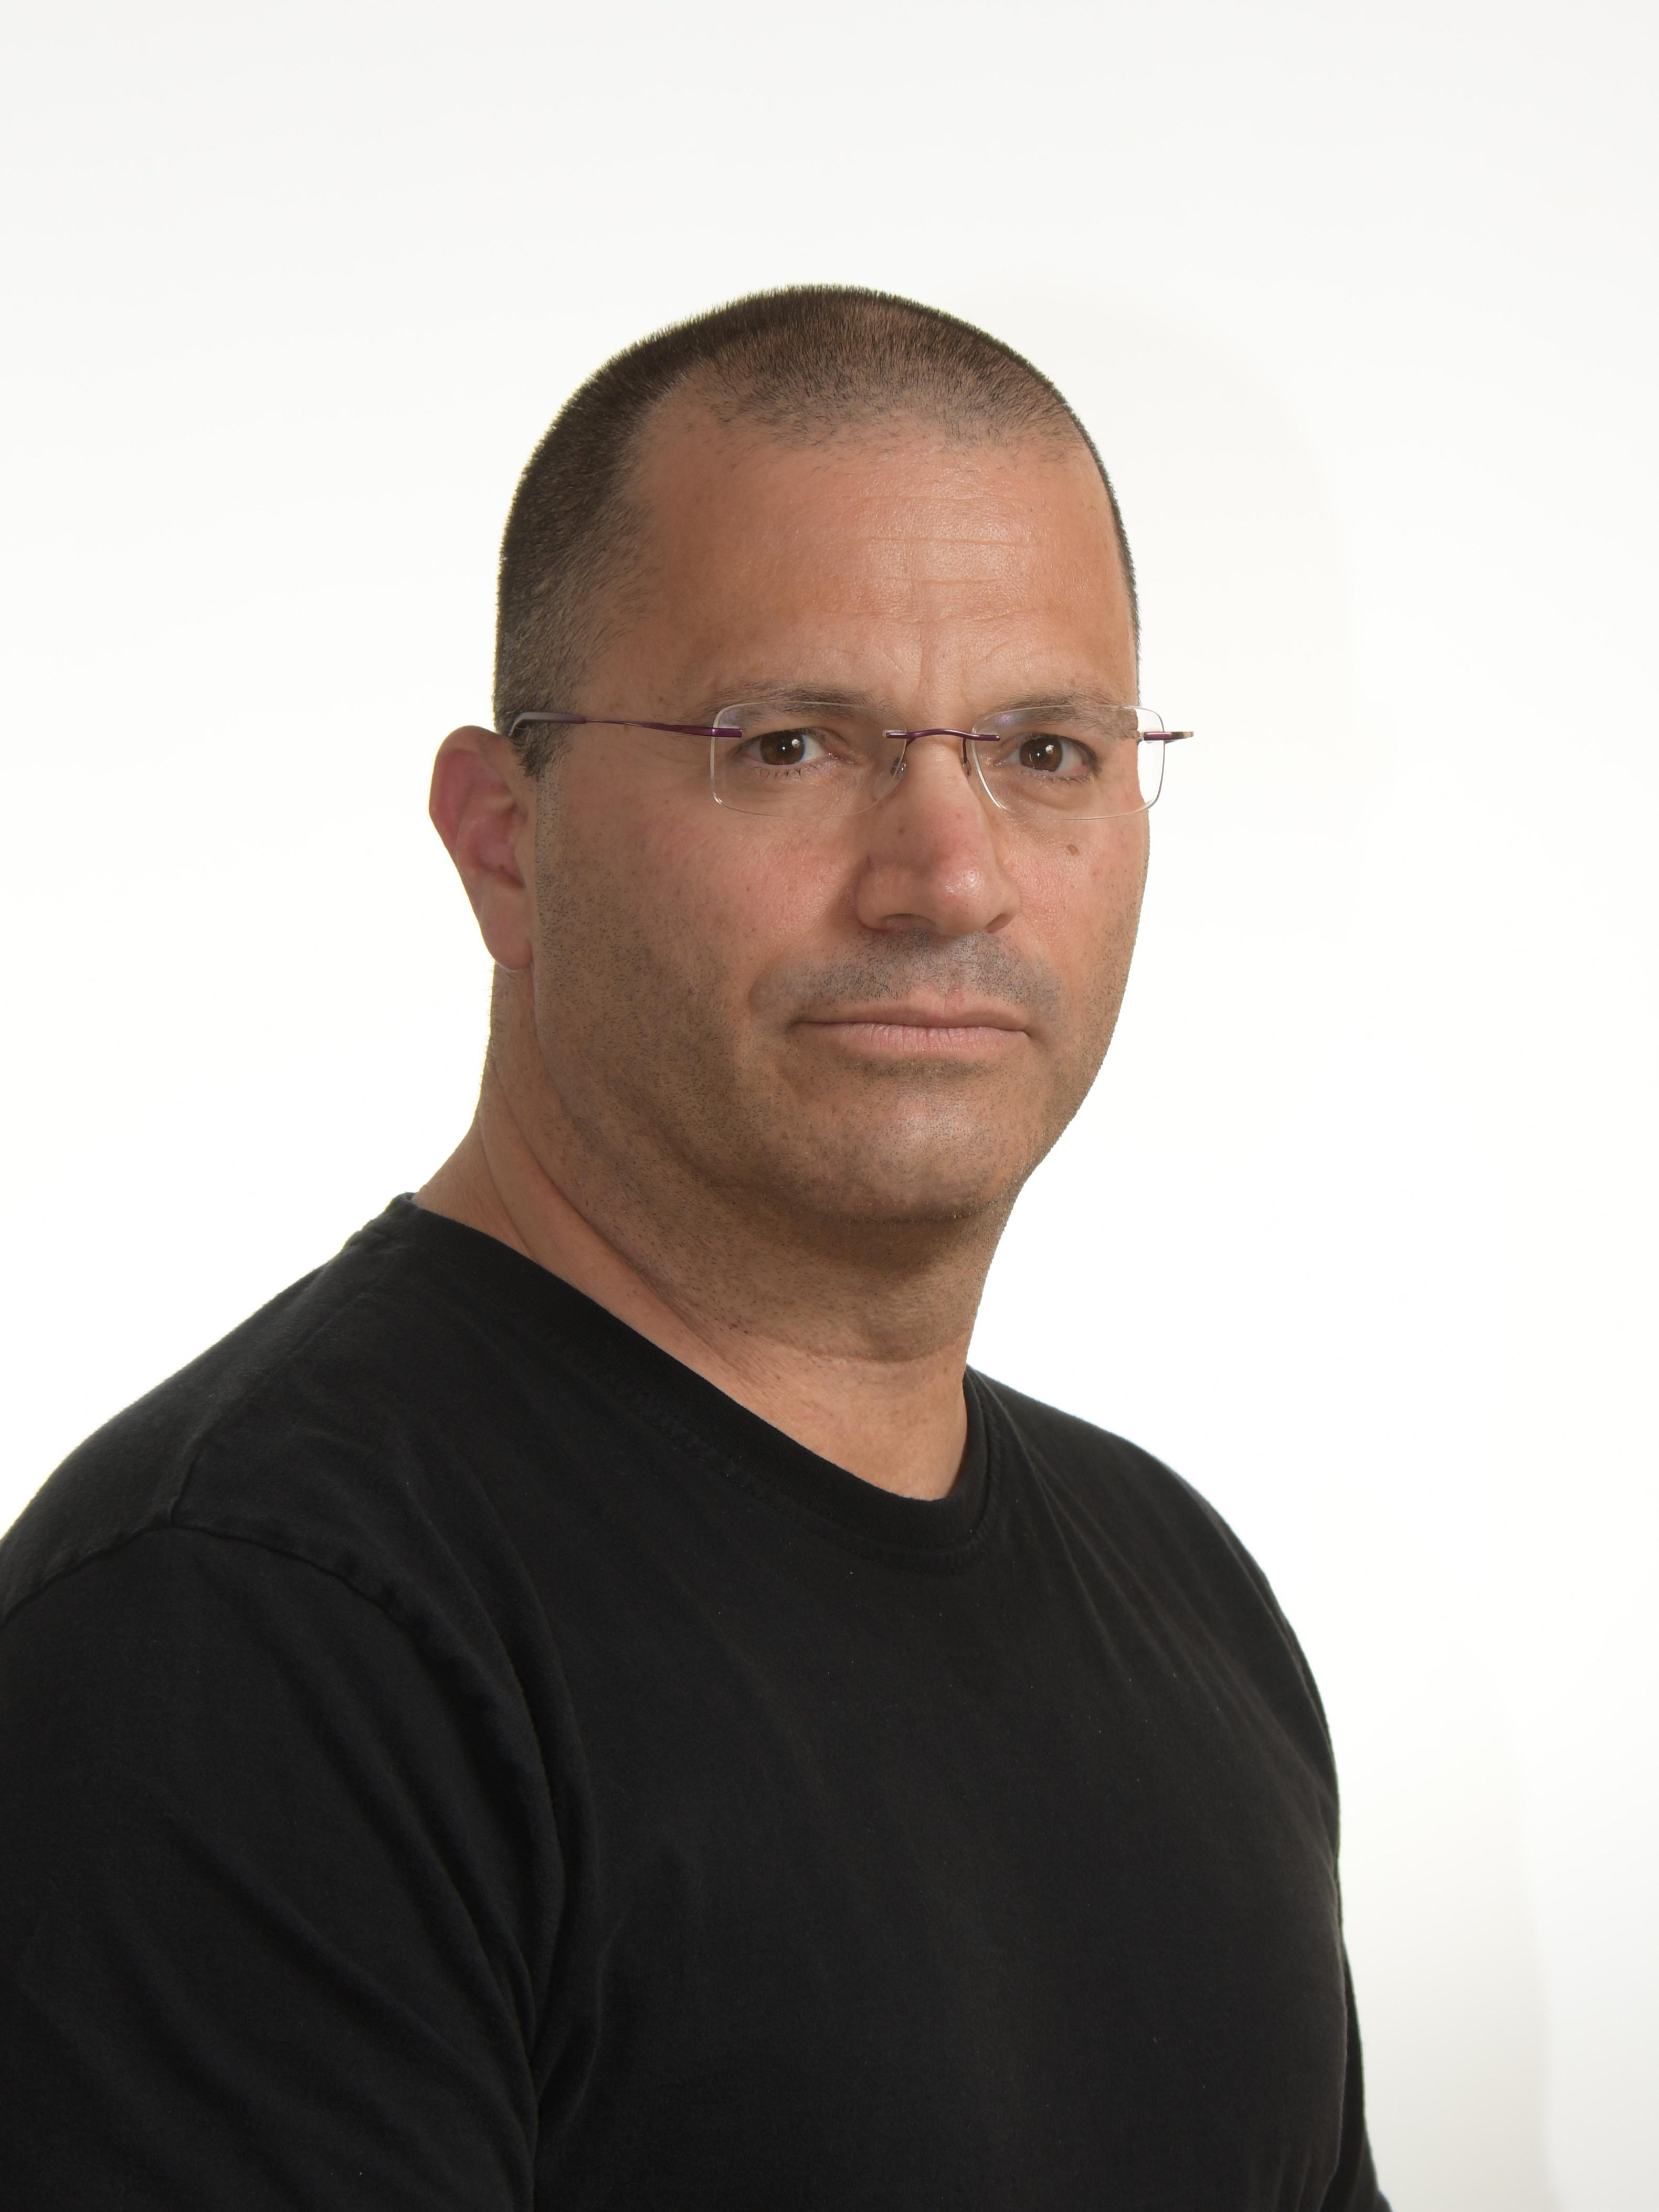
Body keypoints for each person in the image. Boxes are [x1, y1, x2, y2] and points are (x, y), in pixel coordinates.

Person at [0, 287, 1387, 2210]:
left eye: (1045, 750)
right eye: (790, 744)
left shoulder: (1187, 1602)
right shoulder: (257, 1633)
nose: (949, 871)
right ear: (504, 843)